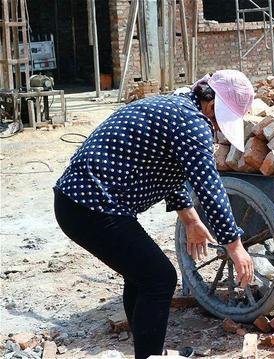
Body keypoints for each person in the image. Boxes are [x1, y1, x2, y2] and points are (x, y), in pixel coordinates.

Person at [54, 70, 256, 358]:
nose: (218, 129)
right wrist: (235, 246)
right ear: (211, 106)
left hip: (81, 202)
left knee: (141, 274)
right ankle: (149, 354)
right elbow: (210, 188)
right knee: (159, 278)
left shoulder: (177, 107)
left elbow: (169, 170)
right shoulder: (192, 122)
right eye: (219, 121)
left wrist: (191, 219)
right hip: (91, 205)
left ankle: (149, 351)